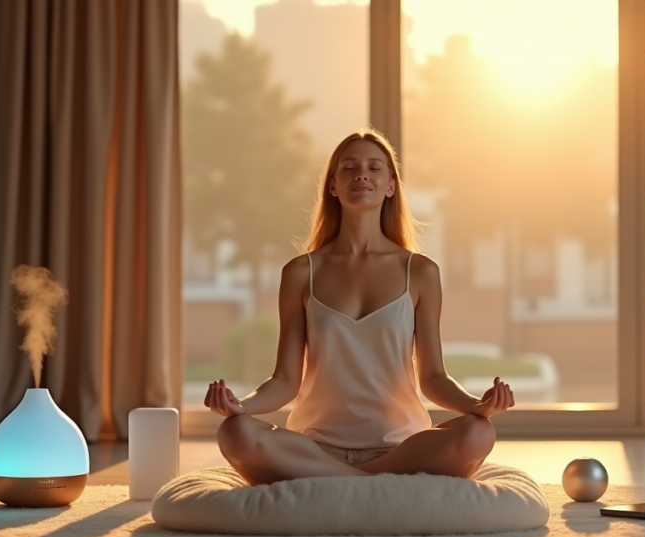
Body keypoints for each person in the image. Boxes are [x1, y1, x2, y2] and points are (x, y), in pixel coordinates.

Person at [204, 129, 515, 486]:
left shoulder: (421, 272)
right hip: (315, 446)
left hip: (401, 447)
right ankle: (372, 482)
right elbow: (285, 380)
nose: (361, 174)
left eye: (374, 167)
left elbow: (433, 379)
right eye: (349, 167)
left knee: (478, 433)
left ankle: (336, 482)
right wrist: (239, 406)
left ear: (390, 186)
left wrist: (477, 405)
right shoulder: (300, 272)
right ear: (333, 186)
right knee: (235, 433)